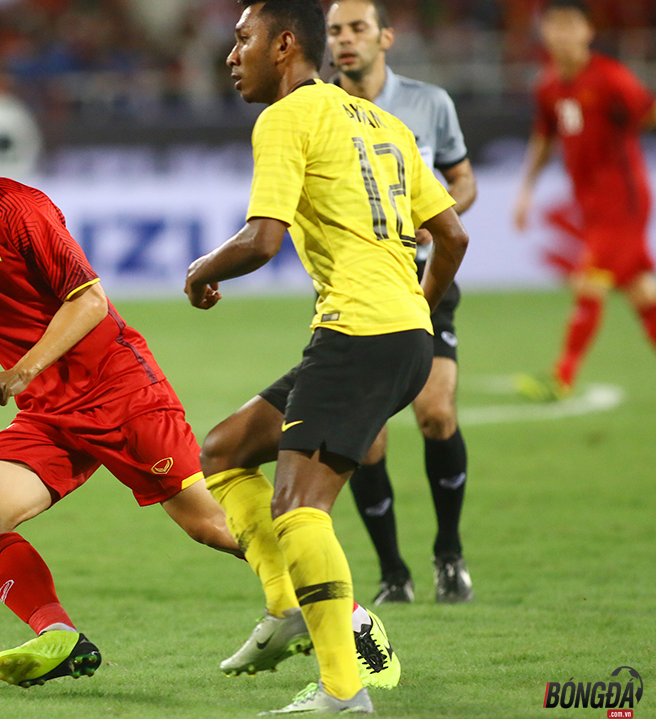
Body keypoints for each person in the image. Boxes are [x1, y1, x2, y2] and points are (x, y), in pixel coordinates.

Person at [0, 89, 243, 689]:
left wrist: (20, 372)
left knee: (212, 528)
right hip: (47, 408)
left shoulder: (19, 209)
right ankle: (58, 637)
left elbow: (89, 300)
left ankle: (345, 613)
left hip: (118, 390)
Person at [186, 0, 468, 713]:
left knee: (298, 506)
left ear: (284, 46)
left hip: (360, 330)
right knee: (222, 450)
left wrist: (199, 270)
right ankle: (289, 607)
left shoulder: (287, 117)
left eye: (243, 39)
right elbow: (453, 236)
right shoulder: (381, 120)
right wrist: (421, 309)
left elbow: (261, 238)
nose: (231, 55)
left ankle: (344, 690)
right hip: (401, 331)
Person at [326, 0, 477, 605]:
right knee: (368, 440)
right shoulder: (316, 110)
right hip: (351, 286)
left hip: (422, 281)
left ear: (385, 36)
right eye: (335, 30)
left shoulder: (429, 103)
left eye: (358, 28)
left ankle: (449, 554)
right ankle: (393, 573)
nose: (345, 40)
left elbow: (463, 179)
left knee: (436, 413)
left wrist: (434, 211)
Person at [513, 0, 656, 400]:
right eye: (555, 26)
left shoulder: (611, 79)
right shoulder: (548, 85)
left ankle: (561, 375)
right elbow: (545, 138)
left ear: (588, 31)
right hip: (593, 206)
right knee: (644, 294)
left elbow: (655, 113)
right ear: (544, 33)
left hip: (625, 201)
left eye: (570, 25)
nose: (562, 34)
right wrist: (526, 190)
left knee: (589, 281)